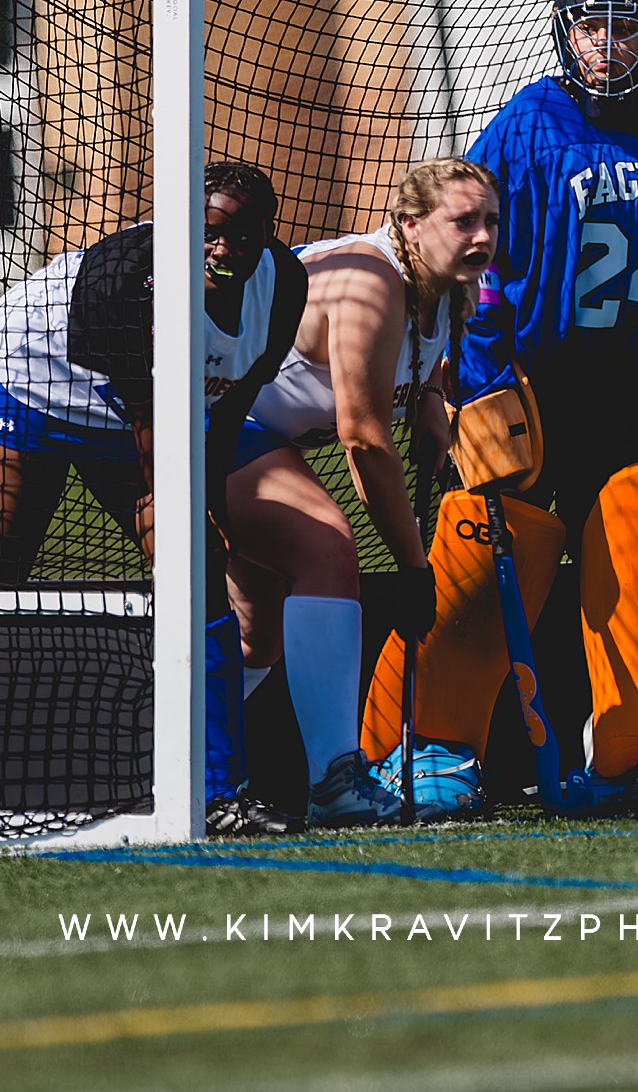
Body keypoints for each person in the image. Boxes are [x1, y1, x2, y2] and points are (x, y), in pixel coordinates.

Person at [370, 0, 638, 818]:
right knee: (491, 552)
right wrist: (487, 373)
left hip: (630, 385)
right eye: (591, 25)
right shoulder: (530, 123)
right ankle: (427, 744)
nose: (607, 43)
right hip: (531, 385)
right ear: (567, 33)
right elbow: (475, 255)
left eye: (626, 25)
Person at [0, 160, 308, 835]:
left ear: (269, 234)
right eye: (210, 232)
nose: (224, 249)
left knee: (199, 579)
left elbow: (229, 408)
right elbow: (154, 438)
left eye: (243, 236)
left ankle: (218, 793)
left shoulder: (284, 286)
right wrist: (192, 512)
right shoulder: (126, 281)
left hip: (141, 410)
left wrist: (214, 512)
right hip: (31, 382)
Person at [223, 157, 499, 827]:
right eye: (463, 221)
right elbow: (366, 444)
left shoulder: (445, 282)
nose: (483, 237)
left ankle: (176, 770)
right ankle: (335, 784)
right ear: (410, 223)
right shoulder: (372, 282)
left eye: (491, 220)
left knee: (257, 631)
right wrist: (413, 566)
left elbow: (422, 353)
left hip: (260, 432)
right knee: (326, 549)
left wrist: (432, 394)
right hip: (216, 413)